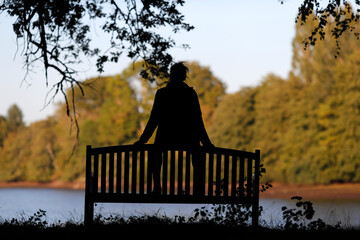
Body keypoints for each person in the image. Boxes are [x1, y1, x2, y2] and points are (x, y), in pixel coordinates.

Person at [134, 61, 214, 195]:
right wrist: (207, 144)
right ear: (184, 77)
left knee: (155, 152)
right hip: (188, 139)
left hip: (165, 138)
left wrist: (142, 141)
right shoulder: (190, 94)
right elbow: (198, 122)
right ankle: (198, 189)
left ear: (171, 76)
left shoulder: (162, 94)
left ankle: (158, 188)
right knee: (196, 154)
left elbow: (153, 120)